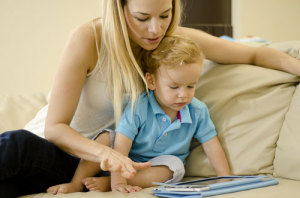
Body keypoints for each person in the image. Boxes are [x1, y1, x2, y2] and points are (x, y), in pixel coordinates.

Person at [0, 0, 299, 197]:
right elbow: (55, 129)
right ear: (119, 10)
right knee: (16, 145)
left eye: (165, 15)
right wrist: (107, 154)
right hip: (52, 150)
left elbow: (255, 52)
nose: (155, 29)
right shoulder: (89, 39)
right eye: (142, 18)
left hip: (96, 166)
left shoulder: (172, 42)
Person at [47, 35, 231, 194]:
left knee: (175, 167)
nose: (183, 94)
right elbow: (121, 144)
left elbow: (211, 145)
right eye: (174, 87)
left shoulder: (197, 110)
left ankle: (107, 183)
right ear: (151, 81)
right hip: (126, 157)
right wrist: (118, 180)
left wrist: (225, 178)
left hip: (158, 165)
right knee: (105, 138)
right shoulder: (140, 105)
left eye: (191, 86)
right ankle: (76, 184)